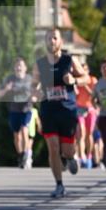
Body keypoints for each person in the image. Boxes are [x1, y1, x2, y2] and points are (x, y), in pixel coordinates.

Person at [31, 27, 87, 199]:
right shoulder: (39, 64)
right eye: (49, 38)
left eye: (55, 38)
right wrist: (35, 93)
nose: (52, 41)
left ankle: (70, 157)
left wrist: (75, 80)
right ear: (45, 42)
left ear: (60, 41)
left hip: (67, 110)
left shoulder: (70, 60)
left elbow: (85, 78)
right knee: (53, 147)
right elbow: (33, 86)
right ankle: (59, 185)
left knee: (67, 149)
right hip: (48, 110)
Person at [0, 58, 33, 168]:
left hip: (26, 109)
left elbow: (38, 90)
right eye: (17, 66)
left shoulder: (30, 79)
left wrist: (35, 96)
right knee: (17, 136)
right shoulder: (9, 79)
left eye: (21, 65)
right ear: (14, 68)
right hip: (14, 110)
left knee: (24, 130)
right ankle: (20, 155)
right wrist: (7, 89)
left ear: (25, 68)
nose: (19, 67)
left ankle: (26, 154)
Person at [75, 61, 98, 168]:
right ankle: (81, 157)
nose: (82, 71)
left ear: (88, 71)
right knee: (81, 133)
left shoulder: (92, 80)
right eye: (81, 69)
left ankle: (89, 156)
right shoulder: (77, 81)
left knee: (89, 134)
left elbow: (94, 95)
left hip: (90, 109)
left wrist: (85, 85)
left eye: (84, 69)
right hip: (79, 108)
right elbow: (75, 95)